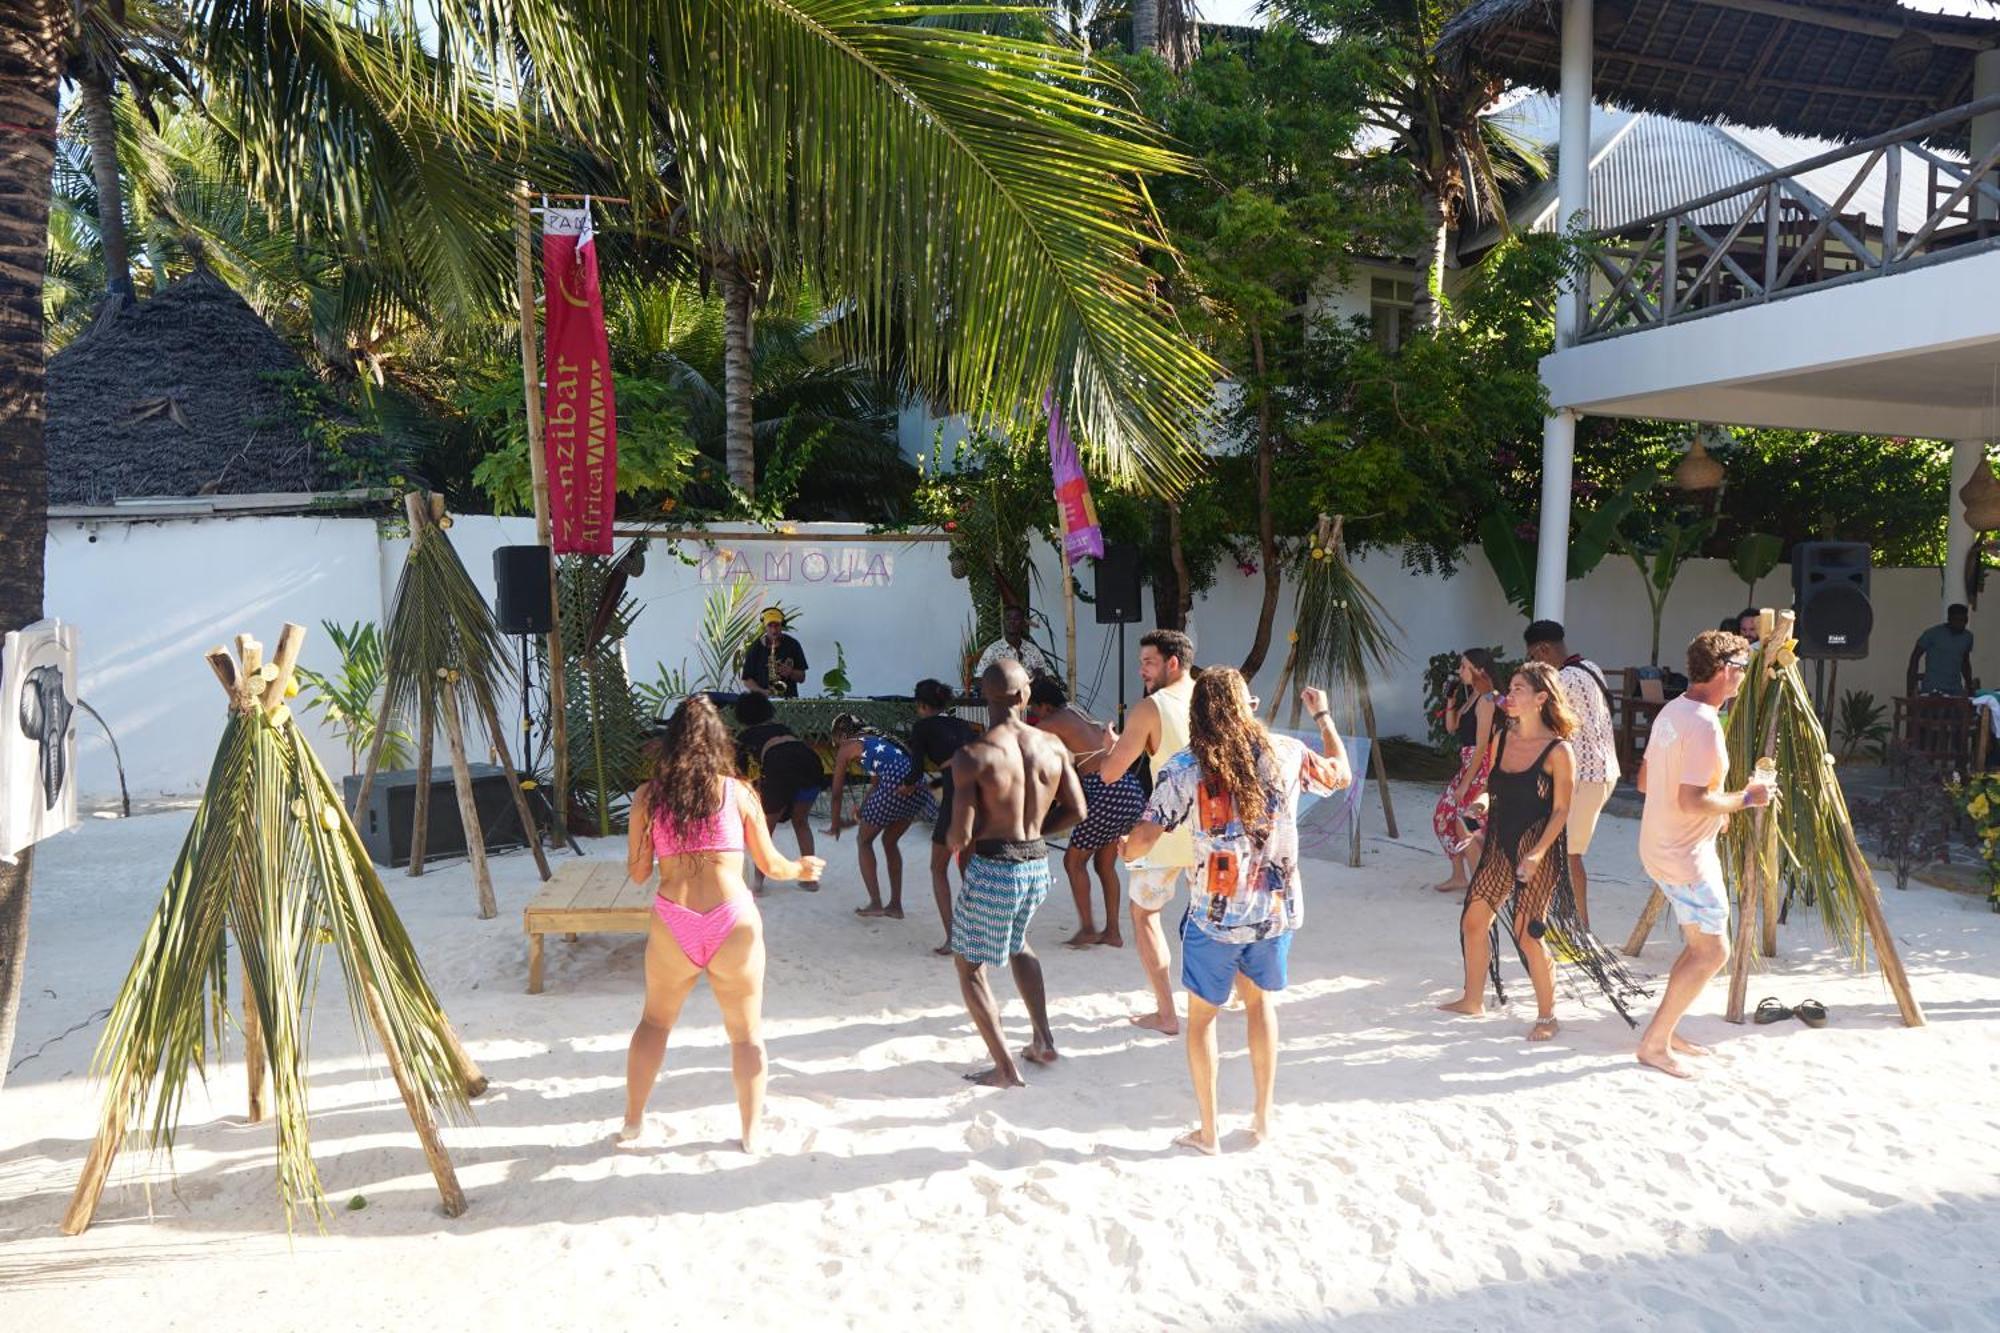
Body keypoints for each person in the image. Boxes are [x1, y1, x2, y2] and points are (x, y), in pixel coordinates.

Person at [1122, 672, 1349, 1154]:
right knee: (1260, 1007)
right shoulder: (1286, 752)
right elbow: (1340, 775)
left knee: (1202, 1021)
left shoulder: (1186, 766)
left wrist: (1126, 850)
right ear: (1247, 706)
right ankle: (1262, 1120)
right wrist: (1323, 716)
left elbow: (1147, 833)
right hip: (1272, 912)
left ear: (1197, 713)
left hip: (1215, 916)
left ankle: (1208, 1132)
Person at [619, 695, 825, 1150]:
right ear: (720, 742)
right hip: (734, 920)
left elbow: (637, 874)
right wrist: (802, 868)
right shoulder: (739, 793)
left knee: (654, 1023)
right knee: (747, 1034)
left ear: (670, 741)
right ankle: (751, 1134)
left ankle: (633, 1122)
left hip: (674, 918)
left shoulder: (649, 797)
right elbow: (770, 865)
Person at [1435, 663, 1644, 1038]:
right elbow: (1490, 786)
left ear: (1541, 698)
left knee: (1528, 933)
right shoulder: (1504, 736)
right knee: (1473, 920)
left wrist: (1536, 854)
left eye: (1517, 689)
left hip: (1539, 847)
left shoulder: (1559, 751)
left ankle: (1547, 1016)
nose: (1508, 695)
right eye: (1510, 688)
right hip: (1499, 842)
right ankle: (1472, 999)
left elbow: (1562, 810)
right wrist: (1477, 807)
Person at [1635, 630, 1774, 1078]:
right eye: (1741, 671)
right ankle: (1655, 1043)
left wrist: (1718, 807)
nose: (1742, 680)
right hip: (1684, 855)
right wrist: (1747, 798)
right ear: (1725, 671)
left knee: (1700, 946)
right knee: (1713, 952)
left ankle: (1666, 1030)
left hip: (1662, 845)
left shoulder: (1672, 712)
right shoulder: (1705, 724)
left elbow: (1646, 783)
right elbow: (1692, 800)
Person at [945, 659, 1087, 1088]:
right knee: (1019, 943)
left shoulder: (973, 755)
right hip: (1036, 865)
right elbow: (1077, 811)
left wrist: (959, 831)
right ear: (1025, 696)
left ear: (983, 697)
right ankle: (1043, 1039)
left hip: (994, 867)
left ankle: (1006, 1068)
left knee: (969, 965)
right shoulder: (1054, 746)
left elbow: (960, 833)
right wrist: (1032, 830)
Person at [1095, 628, 1199, 1035]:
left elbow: (1111, 772)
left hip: (1164, 830)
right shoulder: (1215, 696)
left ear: (1173, 663)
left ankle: (1167, 1014)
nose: (1142, 671)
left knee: (1144, 916)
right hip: (1215, 829)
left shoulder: (1151, 707)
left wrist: (1112, 745)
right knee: (1222, 916)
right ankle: (1243, 997)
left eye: (1149, 662)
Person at [1028, 675, 1145, 949]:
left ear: (1043, 706)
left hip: (1102, 790)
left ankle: (1089, 929)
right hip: (1127, 787)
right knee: (1104, 865)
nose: (1032, 713)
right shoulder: (1075, 711)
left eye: (1033, 707)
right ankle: (1113, 932)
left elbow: (1024, 743)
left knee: (1073, 862)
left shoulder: (1052, 722)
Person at [1523, 621, 1619, 930]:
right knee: (1557, 846)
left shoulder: (1561, 679)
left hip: (1587, 775)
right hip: (1601, 771)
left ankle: (1581, 925)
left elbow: (1539, 722)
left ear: (1543, 649)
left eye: (1532, 657)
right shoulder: (1590, 667)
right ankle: (1558, 913)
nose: (1532, 665)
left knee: (1569, 852)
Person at [828, 714, 935, 918]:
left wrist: (835, 823)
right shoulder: (877, 741)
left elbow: (836, 792)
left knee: (864, 841)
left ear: (841, 735)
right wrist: (862, 810)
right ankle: (895, 905)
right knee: (889, 841)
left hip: (894, 786)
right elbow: (877, 785)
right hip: (917, 786)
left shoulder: (848, 746)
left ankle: (875, 903)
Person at [907, 679, 980, 955]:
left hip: (955, 796)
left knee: (938, 868)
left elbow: (915, 772)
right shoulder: (961, 725)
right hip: (978, 794)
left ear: (922, 705)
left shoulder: (922, 727)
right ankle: (975, 931)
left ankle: (953, 937)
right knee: (969, 869)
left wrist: (907, 786)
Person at [732, 693, 825, 893]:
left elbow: (740, 773)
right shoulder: (782, 728)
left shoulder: (745, 736)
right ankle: (810, 879)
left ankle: (757, 884)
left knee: (765, 829)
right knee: (801, 822)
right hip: (810, 762)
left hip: (779, 764)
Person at [1431, 649, 1500, 895]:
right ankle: (1460, 876)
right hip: (1467, 765)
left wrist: (1465, 784)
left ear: (1478, 670)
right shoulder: (1472, 696)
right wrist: (1450, 699)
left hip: (1478, 767)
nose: (1460, 672)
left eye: (1464, 667)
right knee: (1443, 818)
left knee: (1465, 824)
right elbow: (1452, 728)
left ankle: (1479, 886)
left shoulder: (1488, 699)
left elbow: (1482, 746)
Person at [1908, 603, 1975, 697]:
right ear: (1949, 619)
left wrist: (1969, 685)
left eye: (1964, 620)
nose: (1961, 624)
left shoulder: (1968, 637)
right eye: (1957, 620)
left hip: (1955, 689)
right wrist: (1910, 687)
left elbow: (1965, 662)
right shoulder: (1932, 634)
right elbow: (1915, 657)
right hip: (1932, 688)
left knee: (1958, 711)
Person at [740, 609, 808, 698]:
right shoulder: (755, 647)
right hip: (762, 701)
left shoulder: (793, 644)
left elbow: (802, 678)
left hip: (788, 699)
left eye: (777, 625)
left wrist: (790, 672)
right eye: (770, 626)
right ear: (764, 626)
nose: (773, 630)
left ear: (782, 625)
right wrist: (762, 692)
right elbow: (746, 679)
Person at [972, 604, 1051, 680]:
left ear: (1023, 623)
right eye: (1008, 618)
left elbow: (1047, 675)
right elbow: (979, 678)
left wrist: (1040, 674)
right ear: (1003, 622)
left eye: (1016, 618)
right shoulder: (993, 650)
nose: (1012, 621)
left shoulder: (1032, 650)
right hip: (1001, 692)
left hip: (1030, 691)